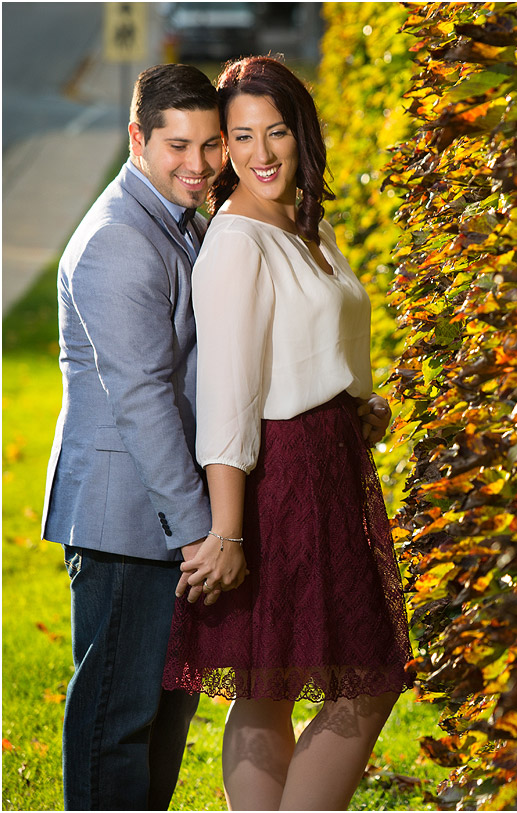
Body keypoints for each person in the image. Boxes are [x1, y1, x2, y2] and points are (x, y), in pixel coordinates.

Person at [160, 56, 412, 810]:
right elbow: (229, 393)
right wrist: (228, 531)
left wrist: (355, 403)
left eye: (275, 132)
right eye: (240, 137)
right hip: (281, 476)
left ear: (302, 134)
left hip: (332, 457)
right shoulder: (236, 240)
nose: (261, 153)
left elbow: (312, 345)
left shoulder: (309, 223)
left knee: (274, 681)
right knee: (358, 677)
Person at [40, 63, 243, 810]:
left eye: (211, 144)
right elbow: (145, 399)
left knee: (158, 725)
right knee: (115, 727)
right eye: (176, 146)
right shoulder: (120, 239)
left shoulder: (173, 218)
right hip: (130, 520)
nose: (196, 164)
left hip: (159, 517)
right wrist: (201, 534)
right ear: (137, 139)